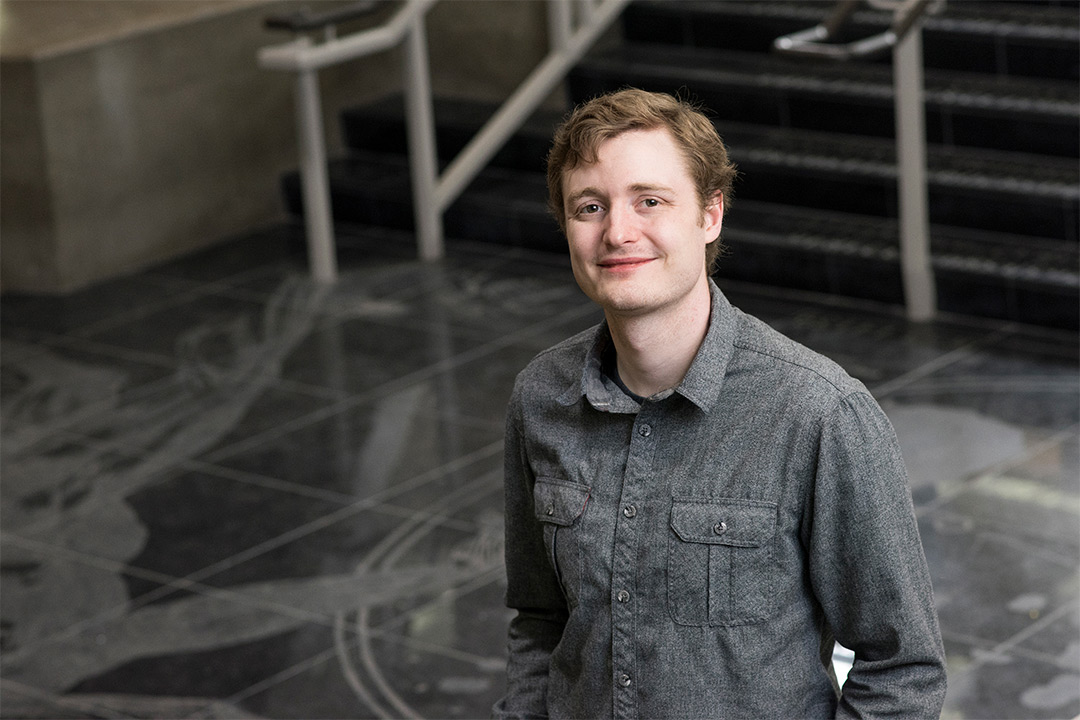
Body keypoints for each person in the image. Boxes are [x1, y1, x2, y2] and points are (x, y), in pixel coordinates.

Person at [493, 88, 947, 719]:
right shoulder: (541, 396)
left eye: (649, 201)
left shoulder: (819, 413)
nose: (618, 232)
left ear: (710, 216)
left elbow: (903, 669)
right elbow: (540, 619)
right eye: (589, 207)